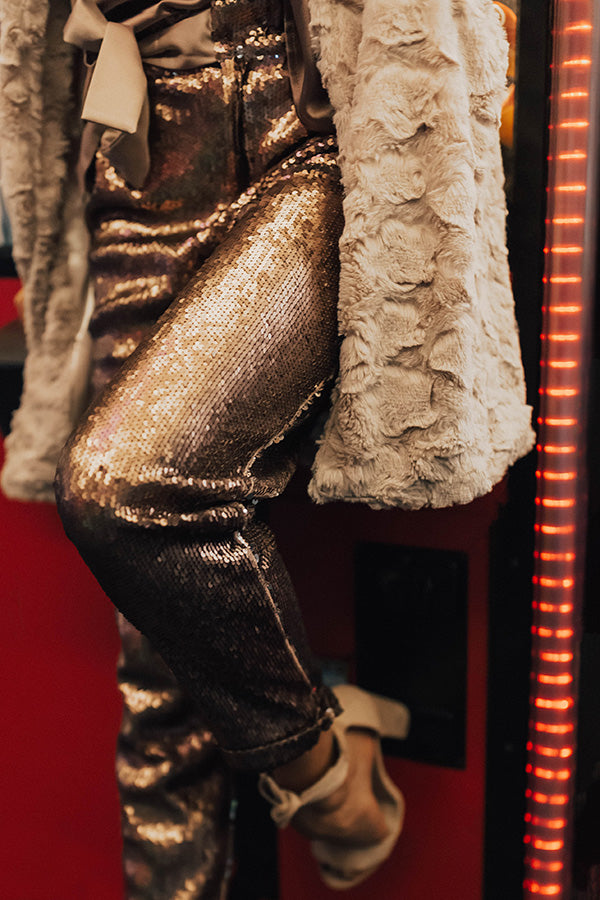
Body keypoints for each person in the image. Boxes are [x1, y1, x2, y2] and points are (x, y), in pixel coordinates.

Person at [1, 0, 534, 892]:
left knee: (123, 484)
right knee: (158, 686)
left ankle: (320, 777)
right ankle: (314, 774)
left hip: (310, 122)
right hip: (136, 149)